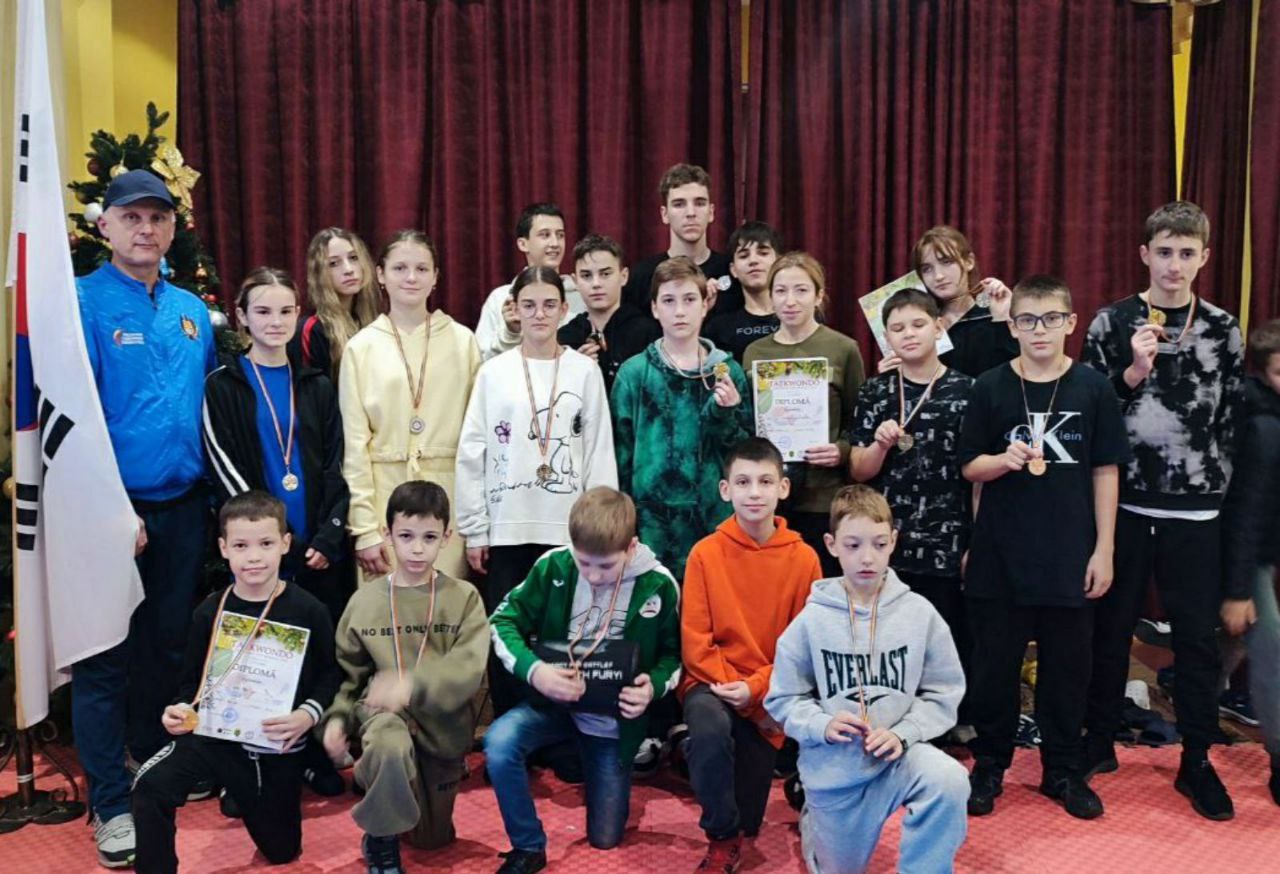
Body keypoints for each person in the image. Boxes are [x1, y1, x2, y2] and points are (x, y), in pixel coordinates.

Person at [1079, 201, 1245, 821]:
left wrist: (1220, 496)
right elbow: (1088, 413)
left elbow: (1231, 421)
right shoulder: (1111, 322)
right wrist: (1133, 372)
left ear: (1204, 258)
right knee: (1109, 631)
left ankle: (1197, 759)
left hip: (1196, 513)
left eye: (1187, 253)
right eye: (1165, 252)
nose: (1175, 265)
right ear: (1145, 254)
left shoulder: (1223, 328)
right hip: (1123, 504)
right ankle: (1097, 741)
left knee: (1197, 643)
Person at [73, 169, 217, 867]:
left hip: (183, 508)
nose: (145, 228)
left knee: (166, 645)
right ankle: (109, 803)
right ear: (104, 225)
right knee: (104, 658)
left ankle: (150, 762)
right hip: (108, 512)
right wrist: (109, 506)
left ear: (171, 228)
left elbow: (210, 406)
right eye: (131, 217)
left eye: (157, 217)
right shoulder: (81, 302)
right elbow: (69, 418)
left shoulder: (191, 310)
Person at [959, 275, 1131, 820]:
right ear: (1012, 326)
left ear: (1070, 323)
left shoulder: (1093, 388)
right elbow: (969, 466)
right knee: (994, 671)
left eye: (1051, 318)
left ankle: (1062, 769)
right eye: (1028, 320)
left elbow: (1105, 470)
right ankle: (990, 766)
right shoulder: (989, 386)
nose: (1040, 330)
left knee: (1067, 672)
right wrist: (1001, 461)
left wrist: (1104, 549)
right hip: (1000, 555)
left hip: (1069, 555)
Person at [131, 492, 339, 874]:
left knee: (281, 850)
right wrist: (181, 710)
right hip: (214, 738)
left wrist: (307, 716)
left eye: (266, 544)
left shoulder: (309, 610)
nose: (254, 557)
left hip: (275, 744)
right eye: (241, 546)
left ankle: (257, 792)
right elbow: (191, 684)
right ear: (224, 548)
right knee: (150, 786)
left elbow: (330, 674)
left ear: (285, 544)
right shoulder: (209, 611)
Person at [202, 266, 351, 797]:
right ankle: (244, 769)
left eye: (286, 311)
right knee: (257, 660)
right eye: (262, 311)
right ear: (241, 317)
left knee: (317, 655)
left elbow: (336, 463)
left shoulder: (316, 384)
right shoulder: (223, 385)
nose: (275, 321)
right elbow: (223, 466)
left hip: (317, 550)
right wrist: (275, 541)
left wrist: (329, 535)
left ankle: (311, 755)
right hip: (263, 553)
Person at [764, 485, 967, 874]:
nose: (867, 557)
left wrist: (905, 733)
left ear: (894, 541)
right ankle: (813, 819)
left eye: (878, 543)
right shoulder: (811, 620)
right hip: (835, 773)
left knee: (950, 779)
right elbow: (783, 698)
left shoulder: (920, 613)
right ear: (831, 545)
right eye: (853, 545)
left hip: (898, 758)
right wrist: (821, 725)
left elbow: (944, 691)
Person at [485, 487, 682, 873]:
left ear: (631, 548)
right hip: (552, 704)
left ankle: (595, 765)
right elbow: (502, 620)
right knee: (499, 743)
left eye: (606, 566)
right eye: (583, 562)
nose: (593, 576)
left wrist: (653, 688)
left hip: (609, 721)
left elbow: (674, 656)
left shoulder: (659, 585)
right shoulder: (553, 566)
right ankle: (527, 845)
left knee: (606, 838)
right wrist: (535, 671)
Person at [457, 266, 617, 717]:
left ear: (565, 310)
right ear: (514, 310)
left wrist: (602, 529)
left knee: (562, 631)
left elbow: (598, 448)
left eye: (549, 305)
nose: (540, 314)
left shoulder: (585, 371)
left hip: (568, 528)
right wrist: (475, 529)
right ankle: (510, 727)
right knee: (508, 629)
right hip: (507, 525)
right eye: (529, 305)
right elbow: (472, 451)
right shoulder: (493, 372)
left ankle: (561, 731)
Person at [323, 481, 489, 873]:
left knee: (431, 840)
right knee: (388, 743)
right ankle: (380, 834)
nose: (417, 549)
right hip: (383, 717)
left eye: (429, 537)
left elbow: (469, 667)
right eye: (406, 536)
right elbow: (348, 676)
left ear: (446, 537)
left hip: (441, 726)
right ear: (388, 535)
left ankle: (379, 777)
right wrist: (337, 719)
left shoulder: (464, 597)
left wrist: (413, 684)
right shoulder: (364, 601)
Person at [681, 437, 821, 872]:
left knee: (751, 821)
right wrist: (736, 688)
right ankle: (721, 838)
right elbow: (696, 643)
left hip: (770, 692)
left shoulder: (805, 559)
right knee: (708, 729)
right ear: (726, 490)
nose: (754, 492)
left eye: (765, 481)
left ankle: (732, 803)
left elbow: (803, 649)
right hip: (711, 683)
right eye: (743, 482)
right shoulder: (704, 553)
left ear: (784, 488)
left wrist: (756, 691)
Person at [340, 230, 480, 582]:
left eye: (422, 268)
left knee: (443, 604)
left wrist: (476, 521)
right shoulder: (361, 347)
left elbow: (479, 439)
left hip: (448, 496)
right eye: (400, 268)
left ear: (436, 277)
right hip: (384, 495)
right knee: (386, 605)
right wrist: (365, 529)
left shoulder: (463, 341)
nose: (411, 277)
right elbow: (354, 445)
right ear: (381, 274)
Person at [849, 289, 974, 671]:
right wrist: (880, 445)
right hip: (886, 543)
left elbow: (978, 475)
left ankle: (948, 708)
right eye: (898, 328)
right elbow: (858, 471)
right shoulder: (875, 390)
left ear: (938, 327)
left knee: (944, 646)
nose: (909, 334)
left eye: (918, 324)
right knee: (886, 645)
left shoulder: (969, 390)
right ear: (886, 337)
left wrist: (977, 541)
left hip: (947, 541)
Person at [611, 256, 753, 581]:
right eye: (668, 301)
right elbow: (620, 456)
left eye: (689, 300)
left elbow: (745, 456)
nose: (679, 311)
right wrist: (623, 522)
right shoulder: (634, 374)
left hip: (714, 519)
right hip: (650, 524)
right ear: (654, 308)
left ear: (705, 306)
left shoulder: (727, 371)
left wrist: (726, 413)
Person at [743, 252, 863, 574]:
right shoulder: (755, 352)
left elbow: (859, 422)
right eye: (781, 291)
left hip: (822, 497)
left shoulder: (843, 348)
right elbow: (747, 423)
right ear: (770, 296)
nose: (790, 300)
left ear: (819, 295)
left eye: (801, 290)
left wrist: (841, 450)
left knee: (819, 585)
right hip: (768, 497)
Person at [1221, 319, 1280, 807]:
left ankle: (1193, 704)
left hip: (1263, 552)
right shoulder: (1264, 427)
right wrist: (1239, 589)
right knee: (1270, 647)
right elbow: (1247, 512)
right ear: (1263, 373)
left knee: (1227, 645)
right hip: (1247, 556)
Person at [887, 225, 1016, 378]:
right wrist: (890, 376)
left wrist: (1002, 318)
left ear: (969, 261)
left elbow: (1013, 377)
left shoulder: (990, 316)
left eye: (947, 262)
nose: (938, 276)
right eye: (927, 269)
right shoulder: (921, 323)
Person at [622, 163, 740, 319]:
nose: (690, 213)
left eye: (699, 203)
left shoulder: (733, 272)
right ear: (664, 214)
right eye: (679, 204)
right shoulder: (642, 277)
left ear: (711, 212)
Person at [474, 203, 584, 361]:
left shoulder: (582, 296)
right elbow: (482, 361)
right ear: (523, 244)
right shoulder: (500, 299)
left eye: (560, 235)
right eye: (545, 235)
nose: (555, 243)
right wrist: (510, 333)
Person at [557, 234, 660, 393]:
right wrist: (575, 370)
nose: (596, 284)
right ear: (575, 281)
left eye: (605, 274)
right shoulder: (564, 338)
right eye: (586, 276)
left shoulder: (648, 333)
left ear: (623, 276)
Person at [289, 227, 382, 380]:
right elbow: (313, 391)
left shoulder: (374, 321)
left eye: (353, 258)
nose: (348, 269)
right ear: (319, 273)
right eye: (333, 263)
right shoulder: (312, 330)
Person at [702, 222, 784, 362]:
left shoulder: (797, 317)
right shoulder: (719, 328)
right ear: (733, 270)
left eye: (763, 253)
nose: (753, 260)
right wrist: (701, 310)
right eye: (744, 256)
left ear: (779, 262)